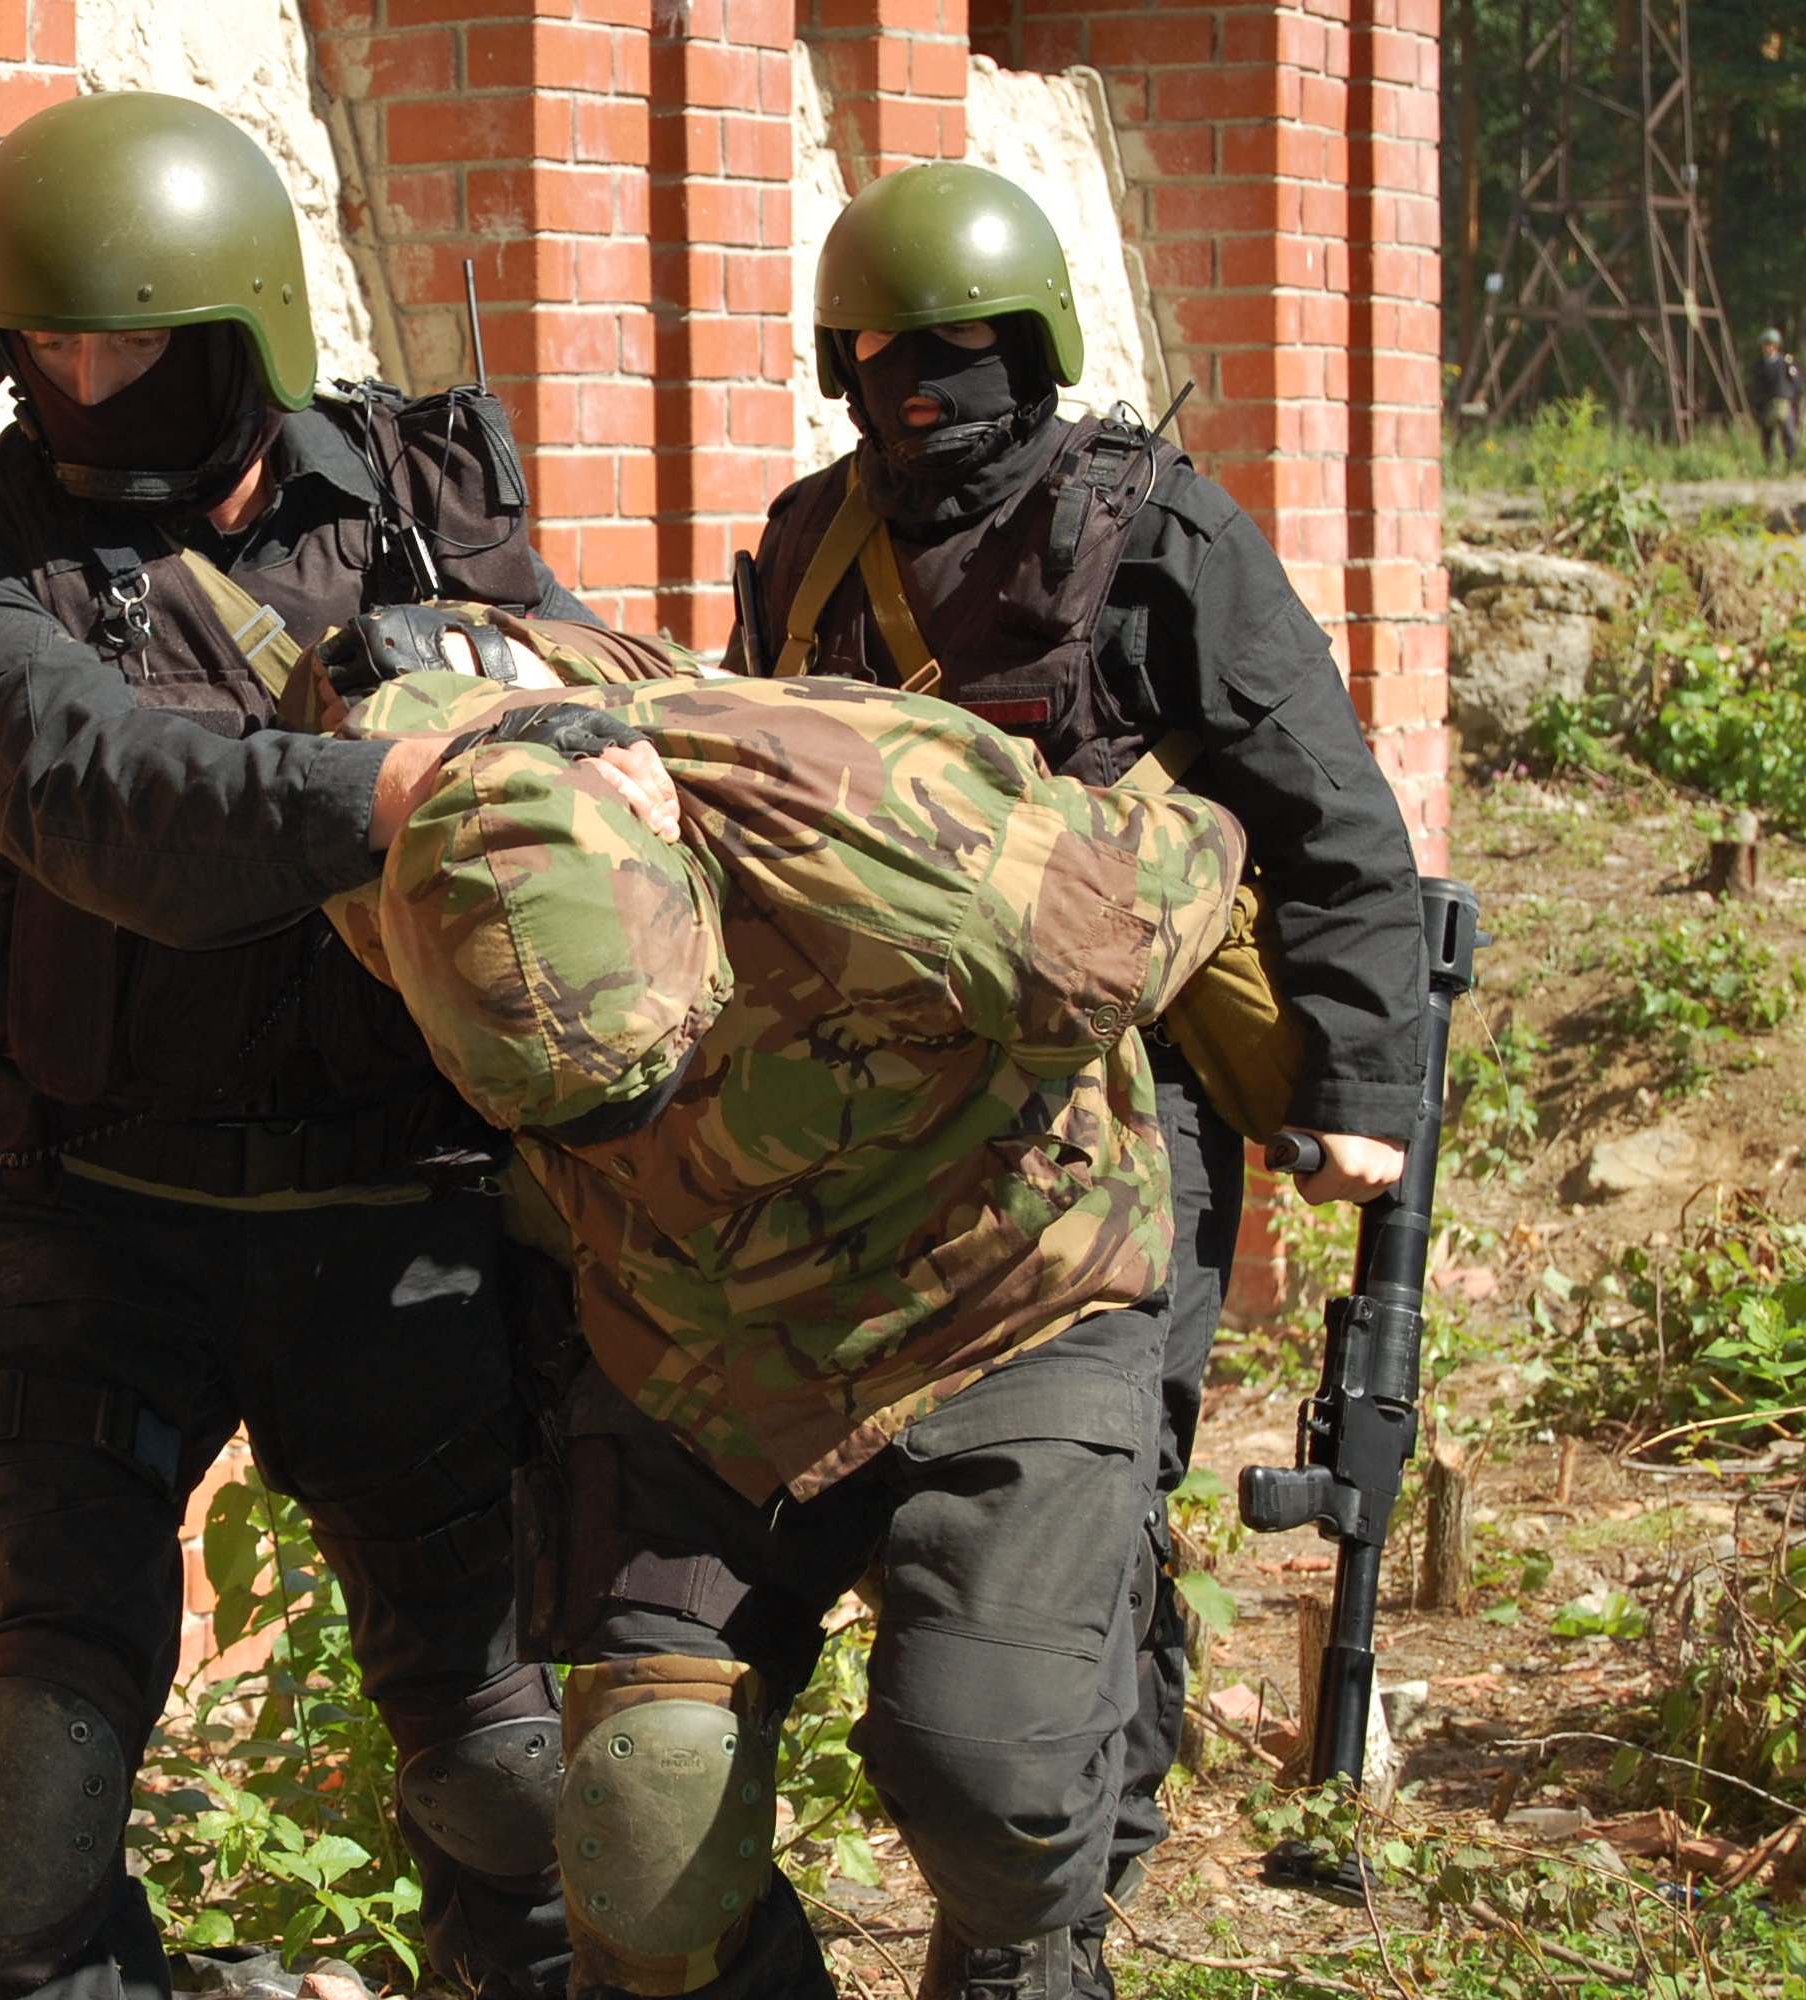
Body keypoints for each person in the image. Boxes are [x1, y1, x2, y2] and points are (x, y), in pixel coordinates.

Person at [0, 90, 673, 2000]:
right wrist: (393, 785)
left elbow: (600, 728)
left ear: (236, 331)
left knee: (502, 1781)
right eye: (46, 342)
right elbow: (92, 793)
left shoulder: (423, 496)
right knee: (27, 1800)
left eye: (127, 340)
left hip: (410, 1224)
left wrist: (571, 726)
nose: (79, 378)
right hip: (94, 1231)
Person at [735, 164, 1426, 1997]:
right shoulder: (809, 541)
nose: (916, 389)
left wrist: (1359, 1089)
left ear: (1028, 349)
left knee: (1102, 1491)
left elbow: (1335, 826)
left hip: (1127, 1126)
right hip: (870, 1121)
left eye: (954, 354)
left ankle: (1065, 1894)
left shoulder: (1156, 535)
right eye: (878, 356)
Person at [313, 653, 1248, 2000]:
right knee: (643, 1822)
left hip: (998, 1290)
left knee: (998, 1790)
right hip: (692, 1343)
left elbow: (1187, 856)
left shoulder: (904, 842)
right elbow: (412, 657)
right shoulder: (402, 846)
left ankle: (1021, 1956)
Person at [1752, 328, 1800, 468]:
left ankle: (1791, 464)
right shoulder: (1760, 365)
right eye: (1765, 345)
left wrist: (1794, 400)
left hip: (1784, 403)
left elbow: (1796, 383)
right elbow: (1756, 387)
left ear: (1776, 345)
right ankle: (1770, 465)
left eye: (1770, 344)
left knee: (1788, 434)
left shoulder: (1786, 362)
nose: (1767, 348)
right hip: (1767, 405)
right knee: (1767, 436)